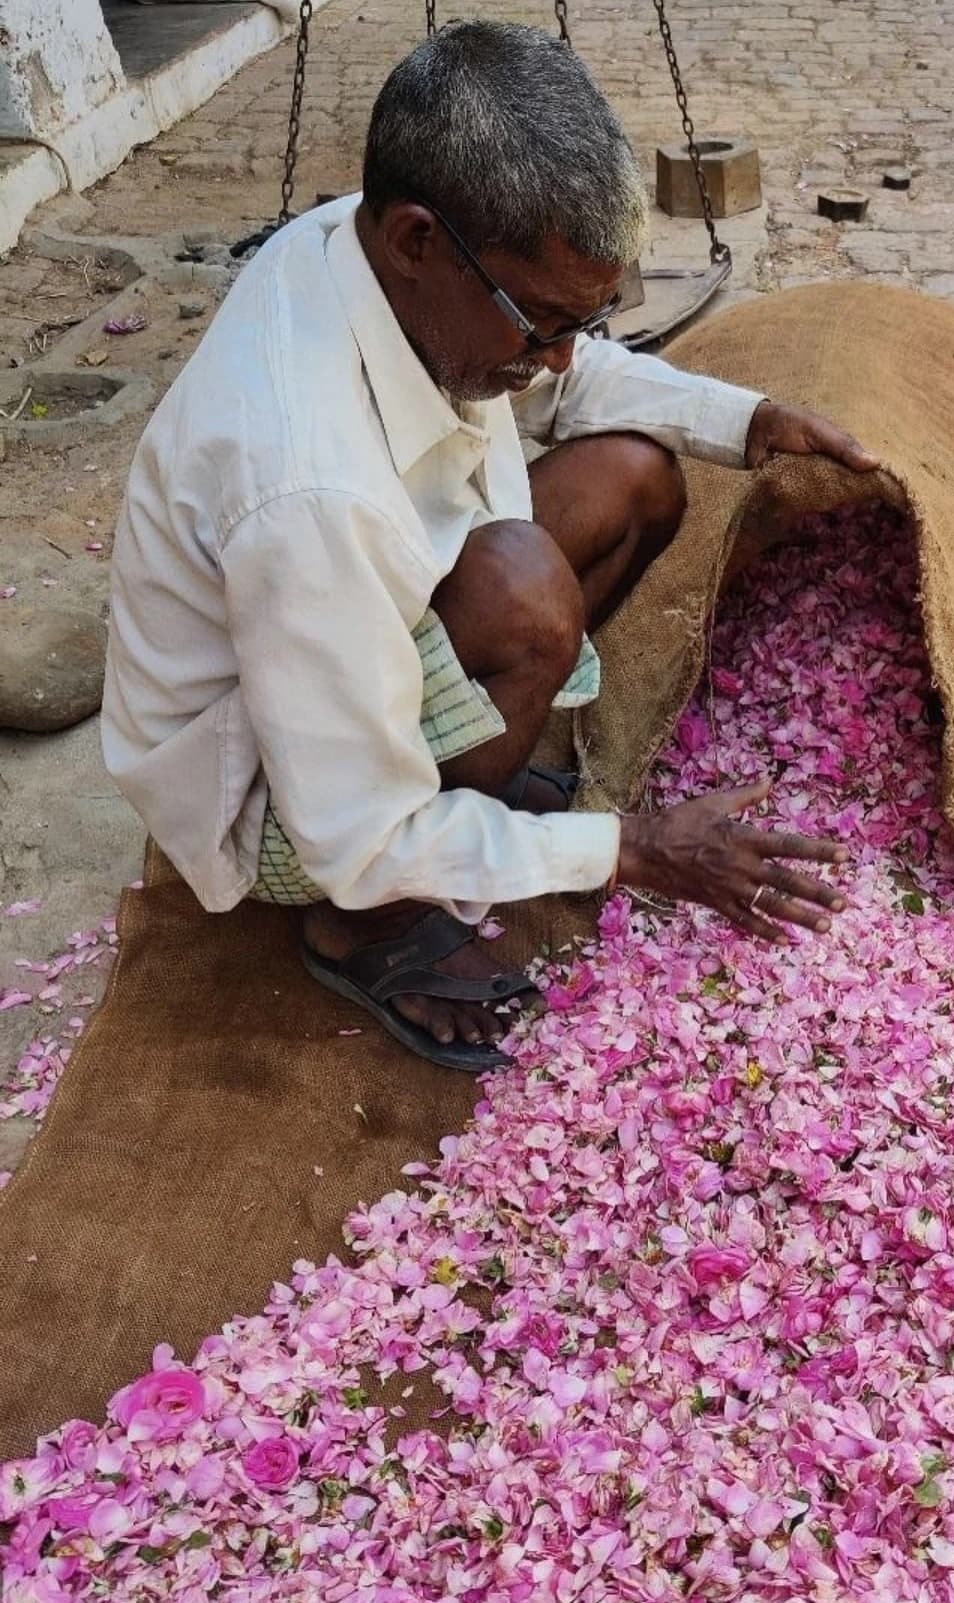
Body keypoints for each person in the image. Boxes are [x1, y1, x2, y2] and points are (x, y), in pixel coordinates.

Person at [102, 20, 878, 1071]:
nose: (559, 356)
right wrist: (633, 851)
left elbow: (575, 372)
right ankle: (362, 926)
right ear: (420, 240)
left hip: (367, 606)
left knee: (638, 478)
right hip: (273, 780)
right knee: (523, 597)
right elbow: (355, 830)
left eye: (581, 319)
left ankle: (473, 784)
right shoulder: (301, 486)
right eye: (540, 320)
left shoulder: (373, 245)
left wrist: (753, 421)